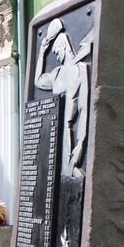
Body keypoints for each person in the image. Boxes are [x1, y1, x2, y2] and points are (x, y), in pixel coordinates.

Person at [34, 17, 91, 177]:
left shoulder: (80, 70)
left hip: (70, 138)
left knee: (75, 178)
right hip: (55, 140)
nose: (56, 56)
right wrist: (41, 54)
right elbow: (38, 81)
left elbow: (84, 110)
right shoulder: (57, 74)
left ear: (64, 47)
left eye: (56, 51)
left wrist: (80, 144)